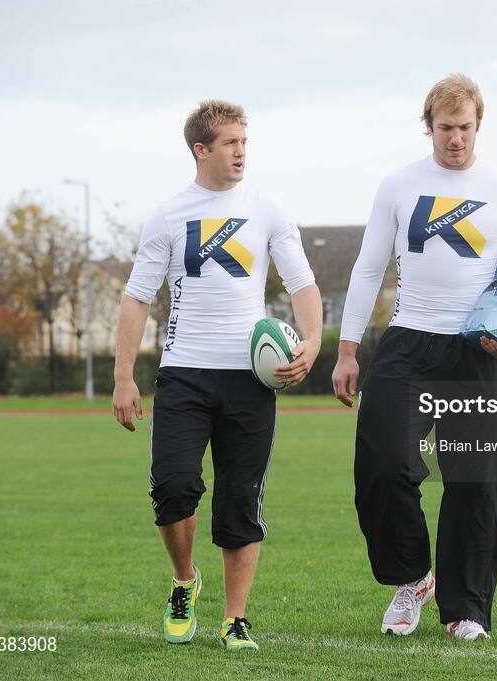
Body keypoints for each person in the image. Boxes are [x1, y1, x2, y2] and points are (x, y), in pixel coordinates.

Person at [332, 74, 497, 641]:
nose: (456, 138)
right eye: (446, 127)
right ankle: (412, 579)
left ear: (480, 126)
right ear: (429, 125)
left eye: (466, 128)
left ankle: (466, 609)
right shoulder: (399, 185)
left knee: (478, 483)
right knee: (384, 466)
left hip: (478, 352)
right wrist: (347, 349)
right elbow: (368, 267)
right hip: (407, 345)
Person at [112, 99, 322, 651]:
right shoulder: (168, 215)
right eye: (230, 143)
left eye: (245, 142)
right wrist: (124, 377)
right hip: (183, 373)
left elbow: (301, 282)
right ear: (200, 149)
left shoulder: (269, 209)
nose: (240, 153)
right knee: (173, 487)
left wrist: (315, 340)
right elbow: (136, 298)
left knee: (239, 499)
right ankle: (184, 581)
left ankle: (235, 619)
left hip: (251, 379)